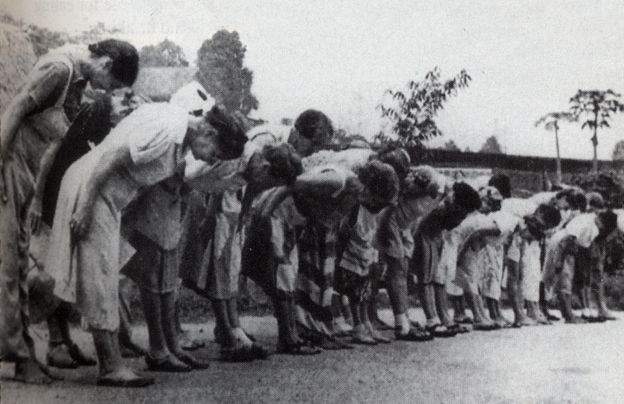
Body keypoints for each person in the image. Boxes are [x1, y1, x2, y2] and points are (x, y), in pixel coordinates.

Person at [45, 102, 247, 387]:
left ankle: (104, 359)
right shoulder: (168, 130)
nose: (212, 161)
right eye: (216, 154)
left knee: (95, 273)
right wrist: (86, 204)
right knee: (98, 276)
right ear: (210, 132)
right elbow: (112, 157)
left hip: (108, 197)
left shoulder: (177, 129)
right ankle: (110, 366)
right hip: (93, 188)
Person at [0, 39, 139, 384]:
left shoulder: (75, 78)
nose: (107, 91)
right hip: (12, 161)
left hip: (27, 165)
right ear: (105, 64)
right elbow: (16, 107)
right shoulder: (60, 68)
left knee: (16, 260)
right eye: (112, 84)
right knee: (9, 263)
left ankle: (22, 353)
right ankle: (18, 357)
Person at [373, 165, 445, 341]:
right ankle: (401, 324)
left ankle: (404, 318)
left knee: (403, 272)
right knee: (396, 270)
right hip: (392, 221)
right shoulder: (413, 187)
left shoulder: (439, 191)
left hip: (406, 226)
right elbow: (393, 204)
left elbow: (417, 216)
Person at [334, 161, 399, 345]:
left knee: (366, 292)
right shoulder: (355, 205)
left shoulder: (376, 207)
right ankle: (358, 326)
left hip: (366, 254)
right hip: (352, 256)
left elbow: (374, 230)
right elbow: (345, 231)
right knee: (355, 294)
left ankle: (367, 323)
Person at [411, 182, 483, 337]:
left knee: (437, 279)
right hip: (426, 236)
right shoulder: (444, 206)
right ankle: (432, 319)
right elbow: (449, 224)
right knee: (426, 280)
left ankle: (441, 318)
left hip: (435, 238)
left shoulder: (450, 203)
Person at [544, 210, 617, 323]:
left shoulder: (592, 225)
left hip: (570, 249)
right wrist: (559, 260)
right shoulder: (587, 223)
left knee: (565, 280)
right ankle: (569, 316)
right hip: (562, 247)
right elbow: (567, 240)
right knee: (564, 281)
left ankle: (566, 313)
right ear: (601, 220)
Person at [505, 204, 561, 327]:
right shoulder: (524, 209)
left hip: (526, 241)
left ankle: (532, 309)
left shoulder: (540, 219)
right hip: (513, 238)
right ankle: (521, 312)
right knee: (517, 276)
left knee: (533, 274)